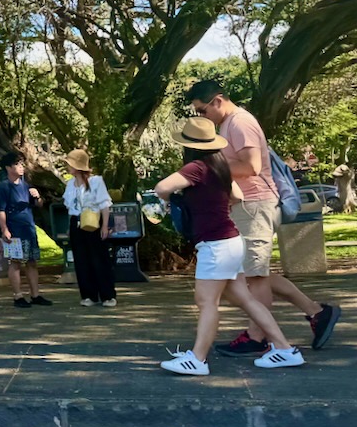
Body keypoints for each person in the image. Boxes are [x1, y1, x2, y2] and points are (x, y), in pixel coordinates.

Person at [186, 80, 341, 354]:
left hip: (255, 205)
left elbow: (251, 166)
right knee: (254, 272)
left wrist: (208, 166)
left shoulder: (239, 122)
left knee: (254, 275)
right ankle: (316, 312)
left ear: (217, 101)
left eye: (202, 110)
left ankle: (259, 337)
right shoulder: (228, 124)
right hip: (245, 206)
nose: (202, 116)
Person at [153, 117, 304, 375]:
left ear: (189, 146)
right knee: (245, 298)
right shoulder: (221, 166)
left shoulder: (196, 168)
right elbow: (237, 196)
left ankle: (198, 359)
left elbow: (161, 187)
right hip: (232, 240)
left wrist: (173, 198)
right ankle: (284, 348)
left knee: (206, 301)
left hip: (216, 246)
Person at [0, 152, 52, 308]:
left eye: (22, 164)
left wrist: (38, 197)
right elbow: (0, 210)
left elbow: (38, 205)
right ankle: (18, 295)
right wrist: (4, 229)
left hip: (28, 228)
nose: (21, 167)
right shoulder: (4, 187)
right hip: (14, 229)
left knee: (32, 261)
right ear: (8, 167)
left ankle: (35, 294)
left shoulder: (26, 185)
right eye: (17, 164)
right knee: (15, 262)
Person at [61, 149, 117, 307]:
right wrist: (70, 226)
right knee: (81, 260)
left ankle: (107, 295)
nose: (68, 167)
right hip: (76, 222)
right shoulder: (70, 184)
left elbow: (104, 204)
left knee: (99, 259)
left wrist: (105, 226)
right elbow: (70, 207)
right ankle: (88, 295)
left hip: (93, 221)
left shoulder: (96, 181)